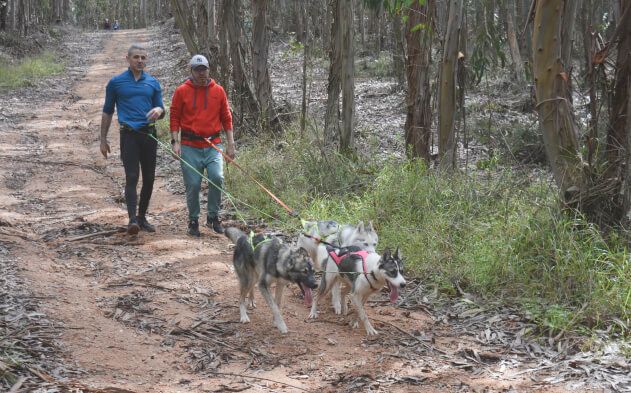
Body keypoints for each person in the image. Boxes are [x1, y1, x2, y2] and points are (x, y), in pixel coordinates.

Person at [100, 43, 165, 235]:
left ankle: (142, 217)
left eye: (143, 58)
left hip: (149, 134)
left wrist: (159, 110)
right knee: (132, 176)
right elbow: (107, 111)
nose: (140, 61)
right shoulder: (116, 82)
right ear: (127, 59)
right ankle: (132, 220)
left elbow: (161, 108)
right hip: (128, 135)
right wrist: (103, 139)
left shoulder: (153, 83)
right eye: (136, 57)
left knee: (150, 178)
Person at [170, 54, 235, 237]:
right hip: (190, 145)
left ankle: (213, 217)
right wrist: (175, 141)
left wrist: (231, 144)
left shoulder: (218, 91)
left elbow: (226, 118)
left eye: (204, 69)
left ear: (208, 69)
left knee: (217, 177)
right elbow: (174, 116)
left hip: (213, 144)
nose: (201, 73)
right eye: (197, 70)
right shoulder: (182, 91)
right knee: (193, 184)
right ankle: (193, 220)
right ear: (190, 71)